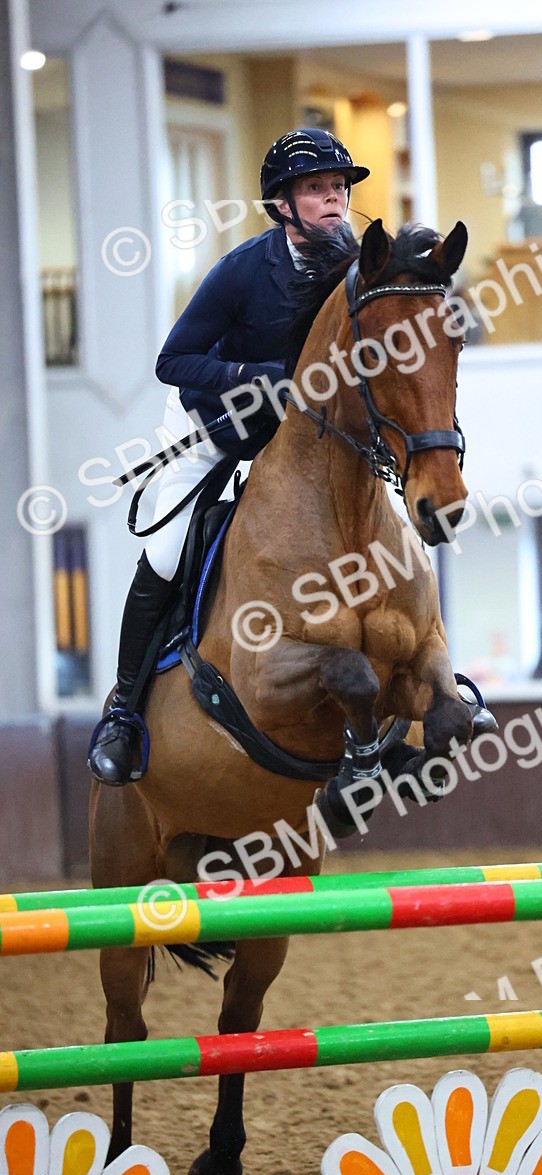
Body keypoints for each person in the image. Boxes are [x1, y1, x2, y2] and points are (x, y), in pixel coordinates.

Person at [88, 128, 370, 785]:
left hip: (293, 445)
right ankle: (125, 713)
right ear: (281, 206)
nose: (332, 200)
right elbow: (172, 360)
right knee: (165, 552)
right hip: (212, 426)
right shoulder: (245, 269)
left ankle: (398, 697)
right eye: (315, 189)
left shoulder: (355, 273)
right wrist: (259, 374)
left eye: (338, 188)